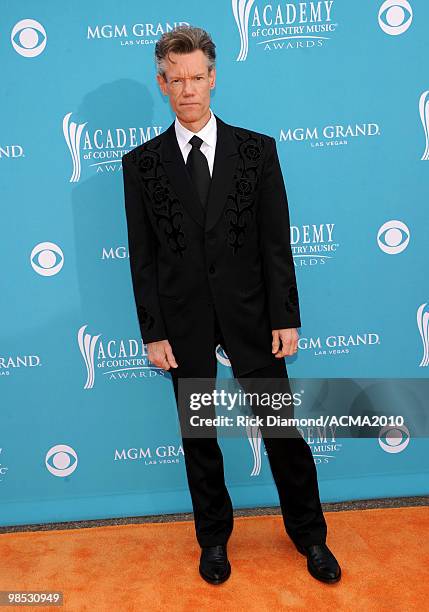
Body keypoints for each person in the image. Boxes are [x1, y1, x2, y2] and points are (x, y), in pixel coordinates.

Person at [121, 24, 341, 585]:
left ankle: (310, 535)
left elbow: (276, 240)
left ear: (213, 78)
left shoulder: (256, 150)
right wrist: (153, 330)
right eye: (177, 79)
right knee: (200, 436)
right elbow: (141, 256)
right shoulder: (141, 165)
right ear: (162, 84)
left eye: (198, 76)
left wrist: (285, 315)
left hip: (253, 317)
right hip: (183, 322)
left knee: (281, 433)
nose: (188, 88)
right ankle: (214, 540)